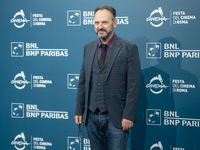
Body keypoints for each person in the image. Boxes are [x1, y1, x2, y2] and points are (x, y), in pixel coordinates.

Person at [75, 5, 141, 150]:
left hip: (117, 118)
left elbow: (134, 86)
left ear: (114, 23)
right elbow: (83, 82)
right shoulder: (88, 47)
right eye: (97, 23)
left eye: (104, 22)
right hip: (91, 117)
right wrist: (79, 110)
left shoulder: (129, 48)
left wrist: (129, 115)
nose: (100, 26)